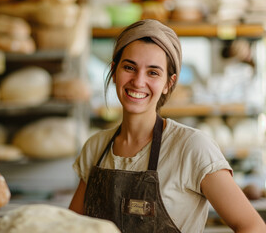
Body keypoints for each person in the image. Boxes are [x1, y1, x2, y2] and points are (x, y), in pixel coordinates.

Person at [69, 19, 266, 233]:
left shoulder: (191, 147)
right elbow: (72, 227)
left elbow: (252, 226)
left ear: (168, 84)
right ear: (114, 71)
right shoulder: (96, 147)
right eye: (129, 67)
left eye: (153, 72)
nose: (138, 81)